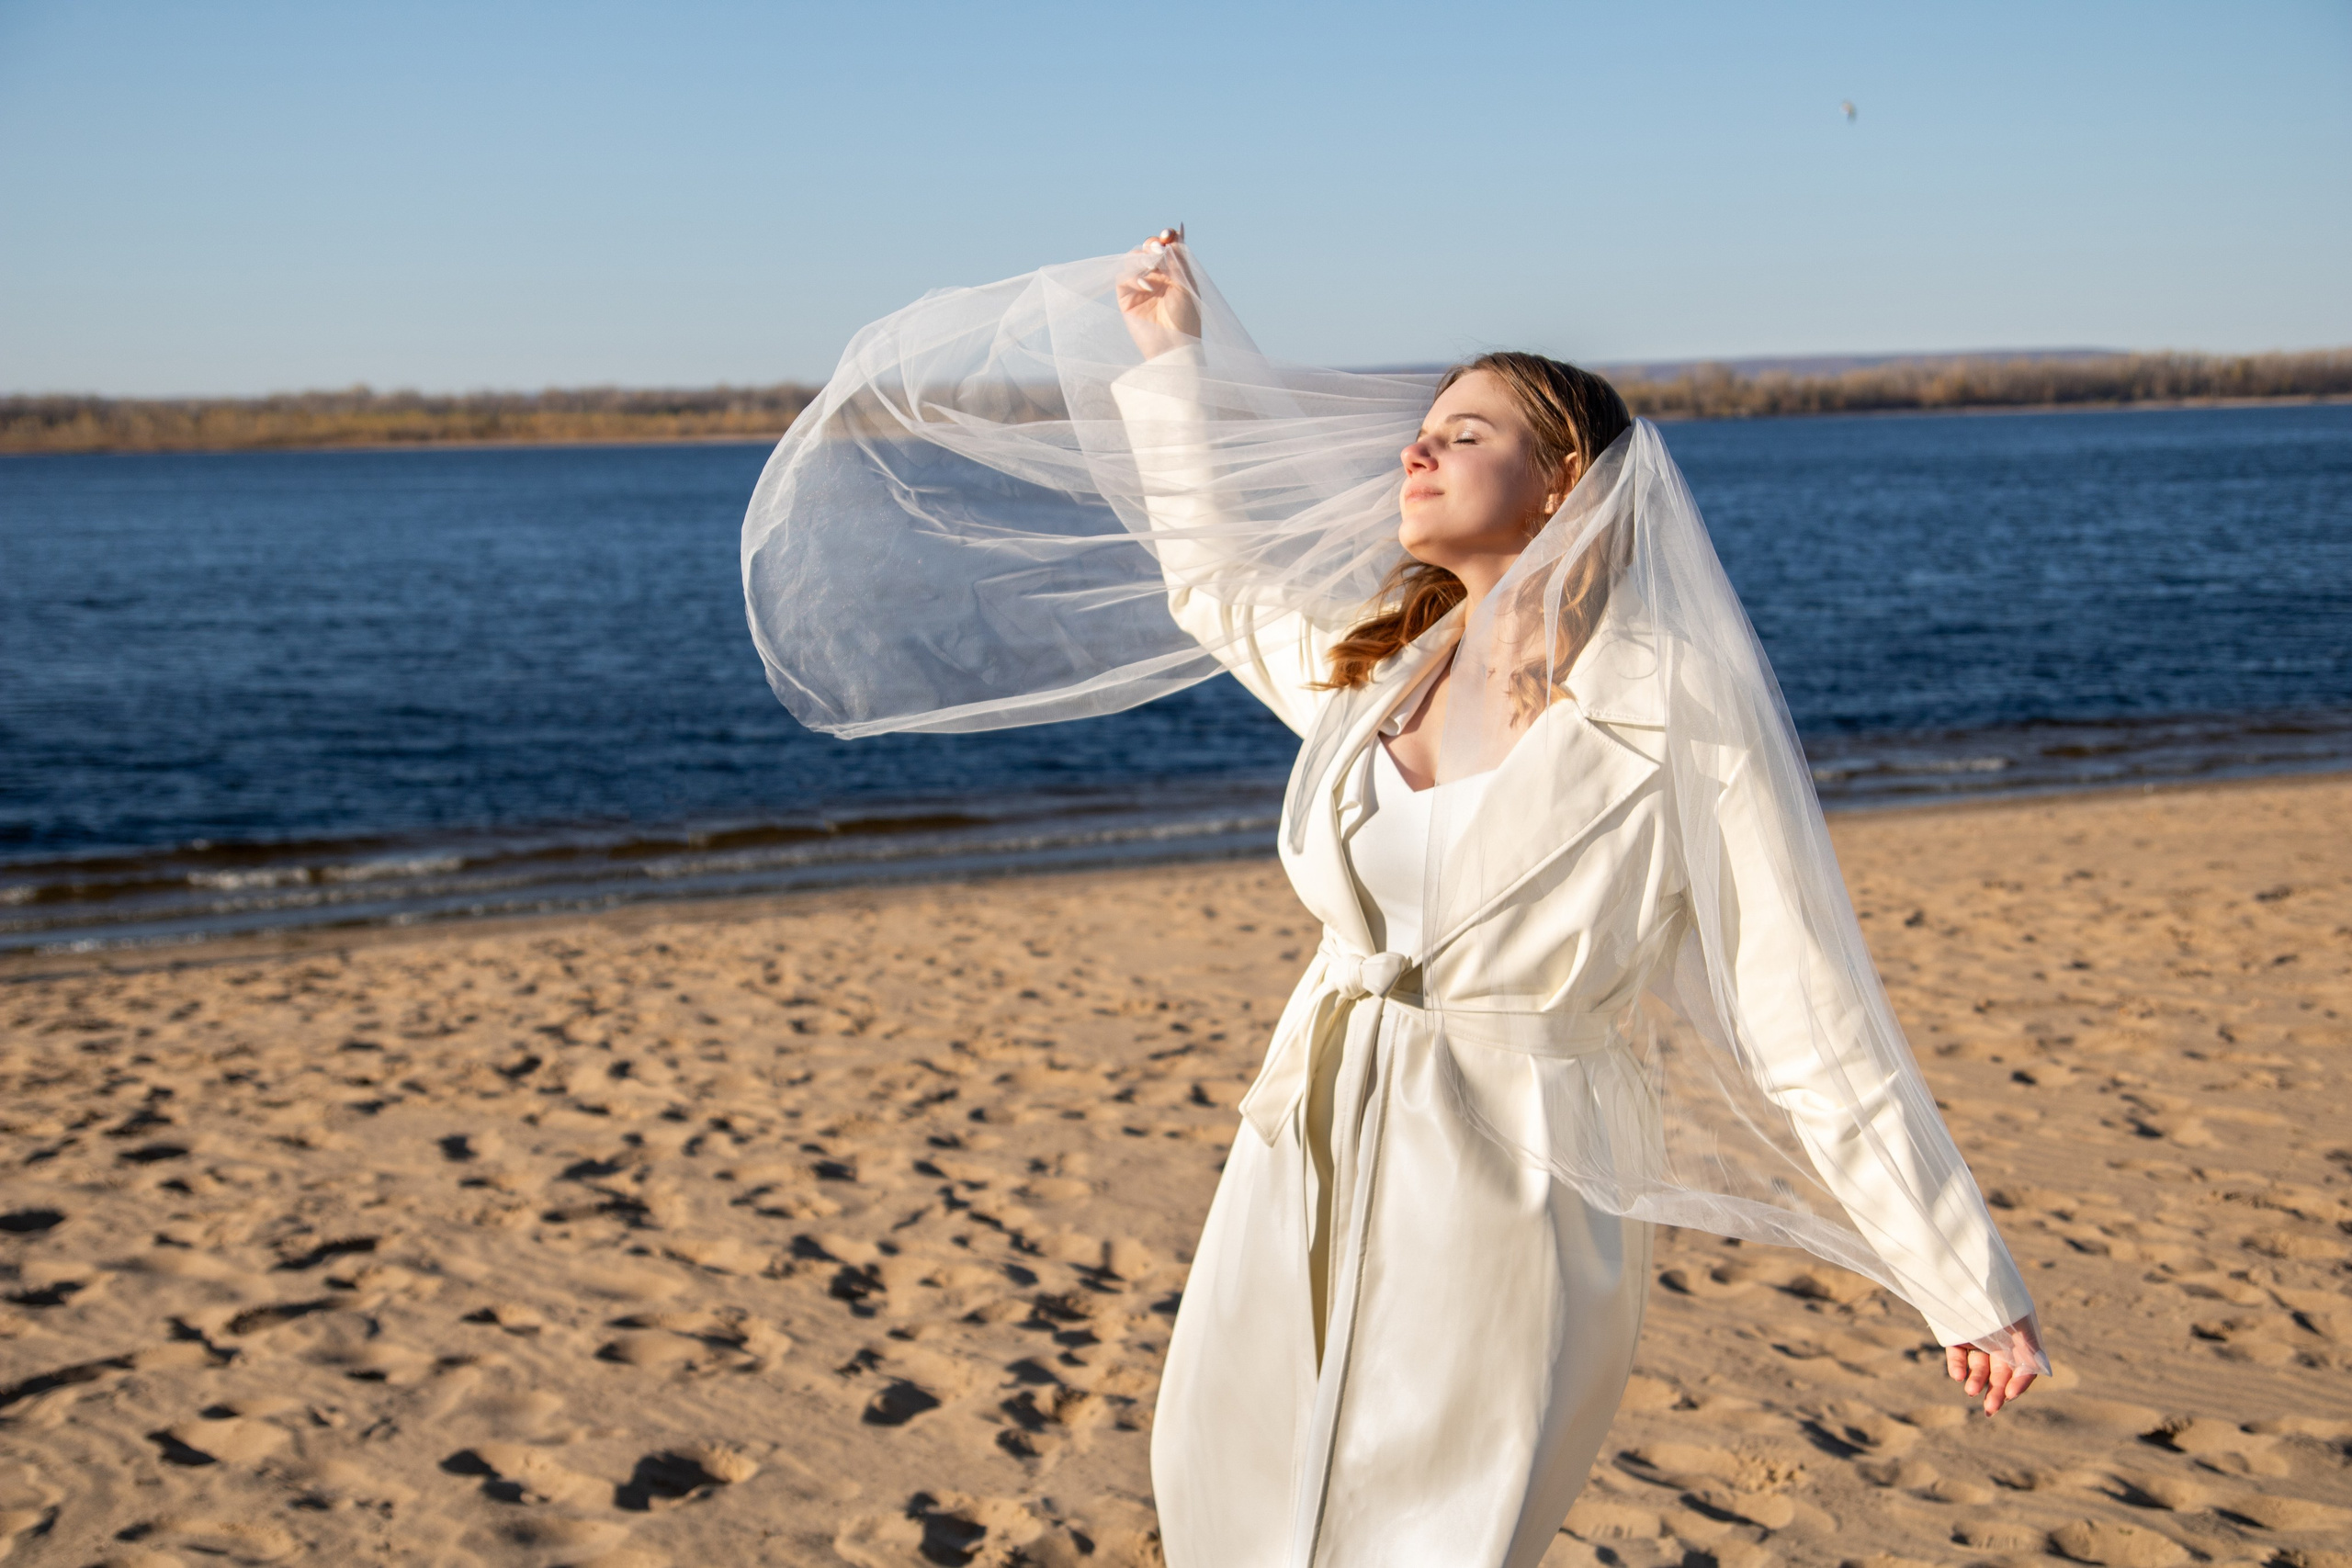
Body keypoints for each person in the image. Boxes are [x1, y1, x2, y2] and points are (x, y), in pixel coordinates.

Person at [741, 231, 2047, 1568]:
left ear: (1561, 489)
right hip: (1301, 1146)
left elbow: (1800, 1010)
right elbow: (1216, 590)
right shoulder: (1380, 669)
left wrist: (1957, 1279)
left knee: (1432, 1528)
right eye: (1420, 430)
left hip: (1513, 1182)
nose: (1416, 452)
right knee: (1232, 1494)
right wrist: (1173, 364)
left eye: (1465, 433)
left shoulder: (1670, 715)